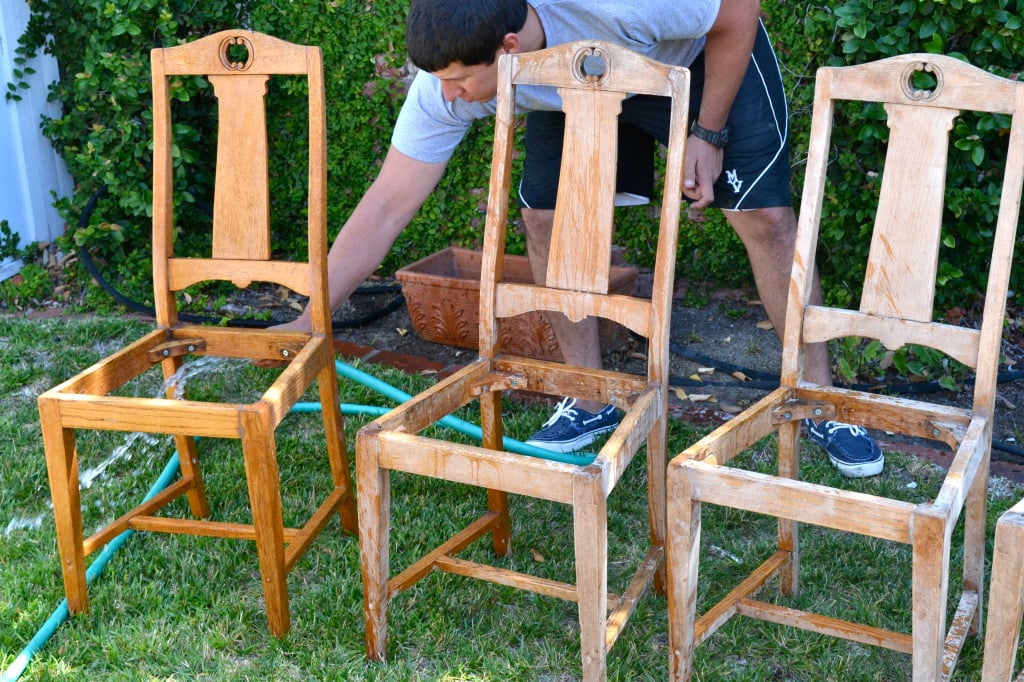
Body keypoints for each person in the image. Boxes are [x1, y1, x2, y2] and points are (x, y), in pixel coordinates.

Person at [278, 0, 884, 478]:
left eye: (460, 80)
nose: (448, 96)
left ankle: (818, 397)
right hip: (574, 80)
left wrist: (708, 129)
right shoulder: (451, 81)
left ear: (508, 47)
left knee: (766, 220)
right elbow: (386, 204)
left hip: (695, 58)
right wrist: (312, 320)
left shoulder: (623, 4)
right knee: (544, 217)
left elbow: (736, 9)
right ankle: (588, 397)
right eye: (440, 81)